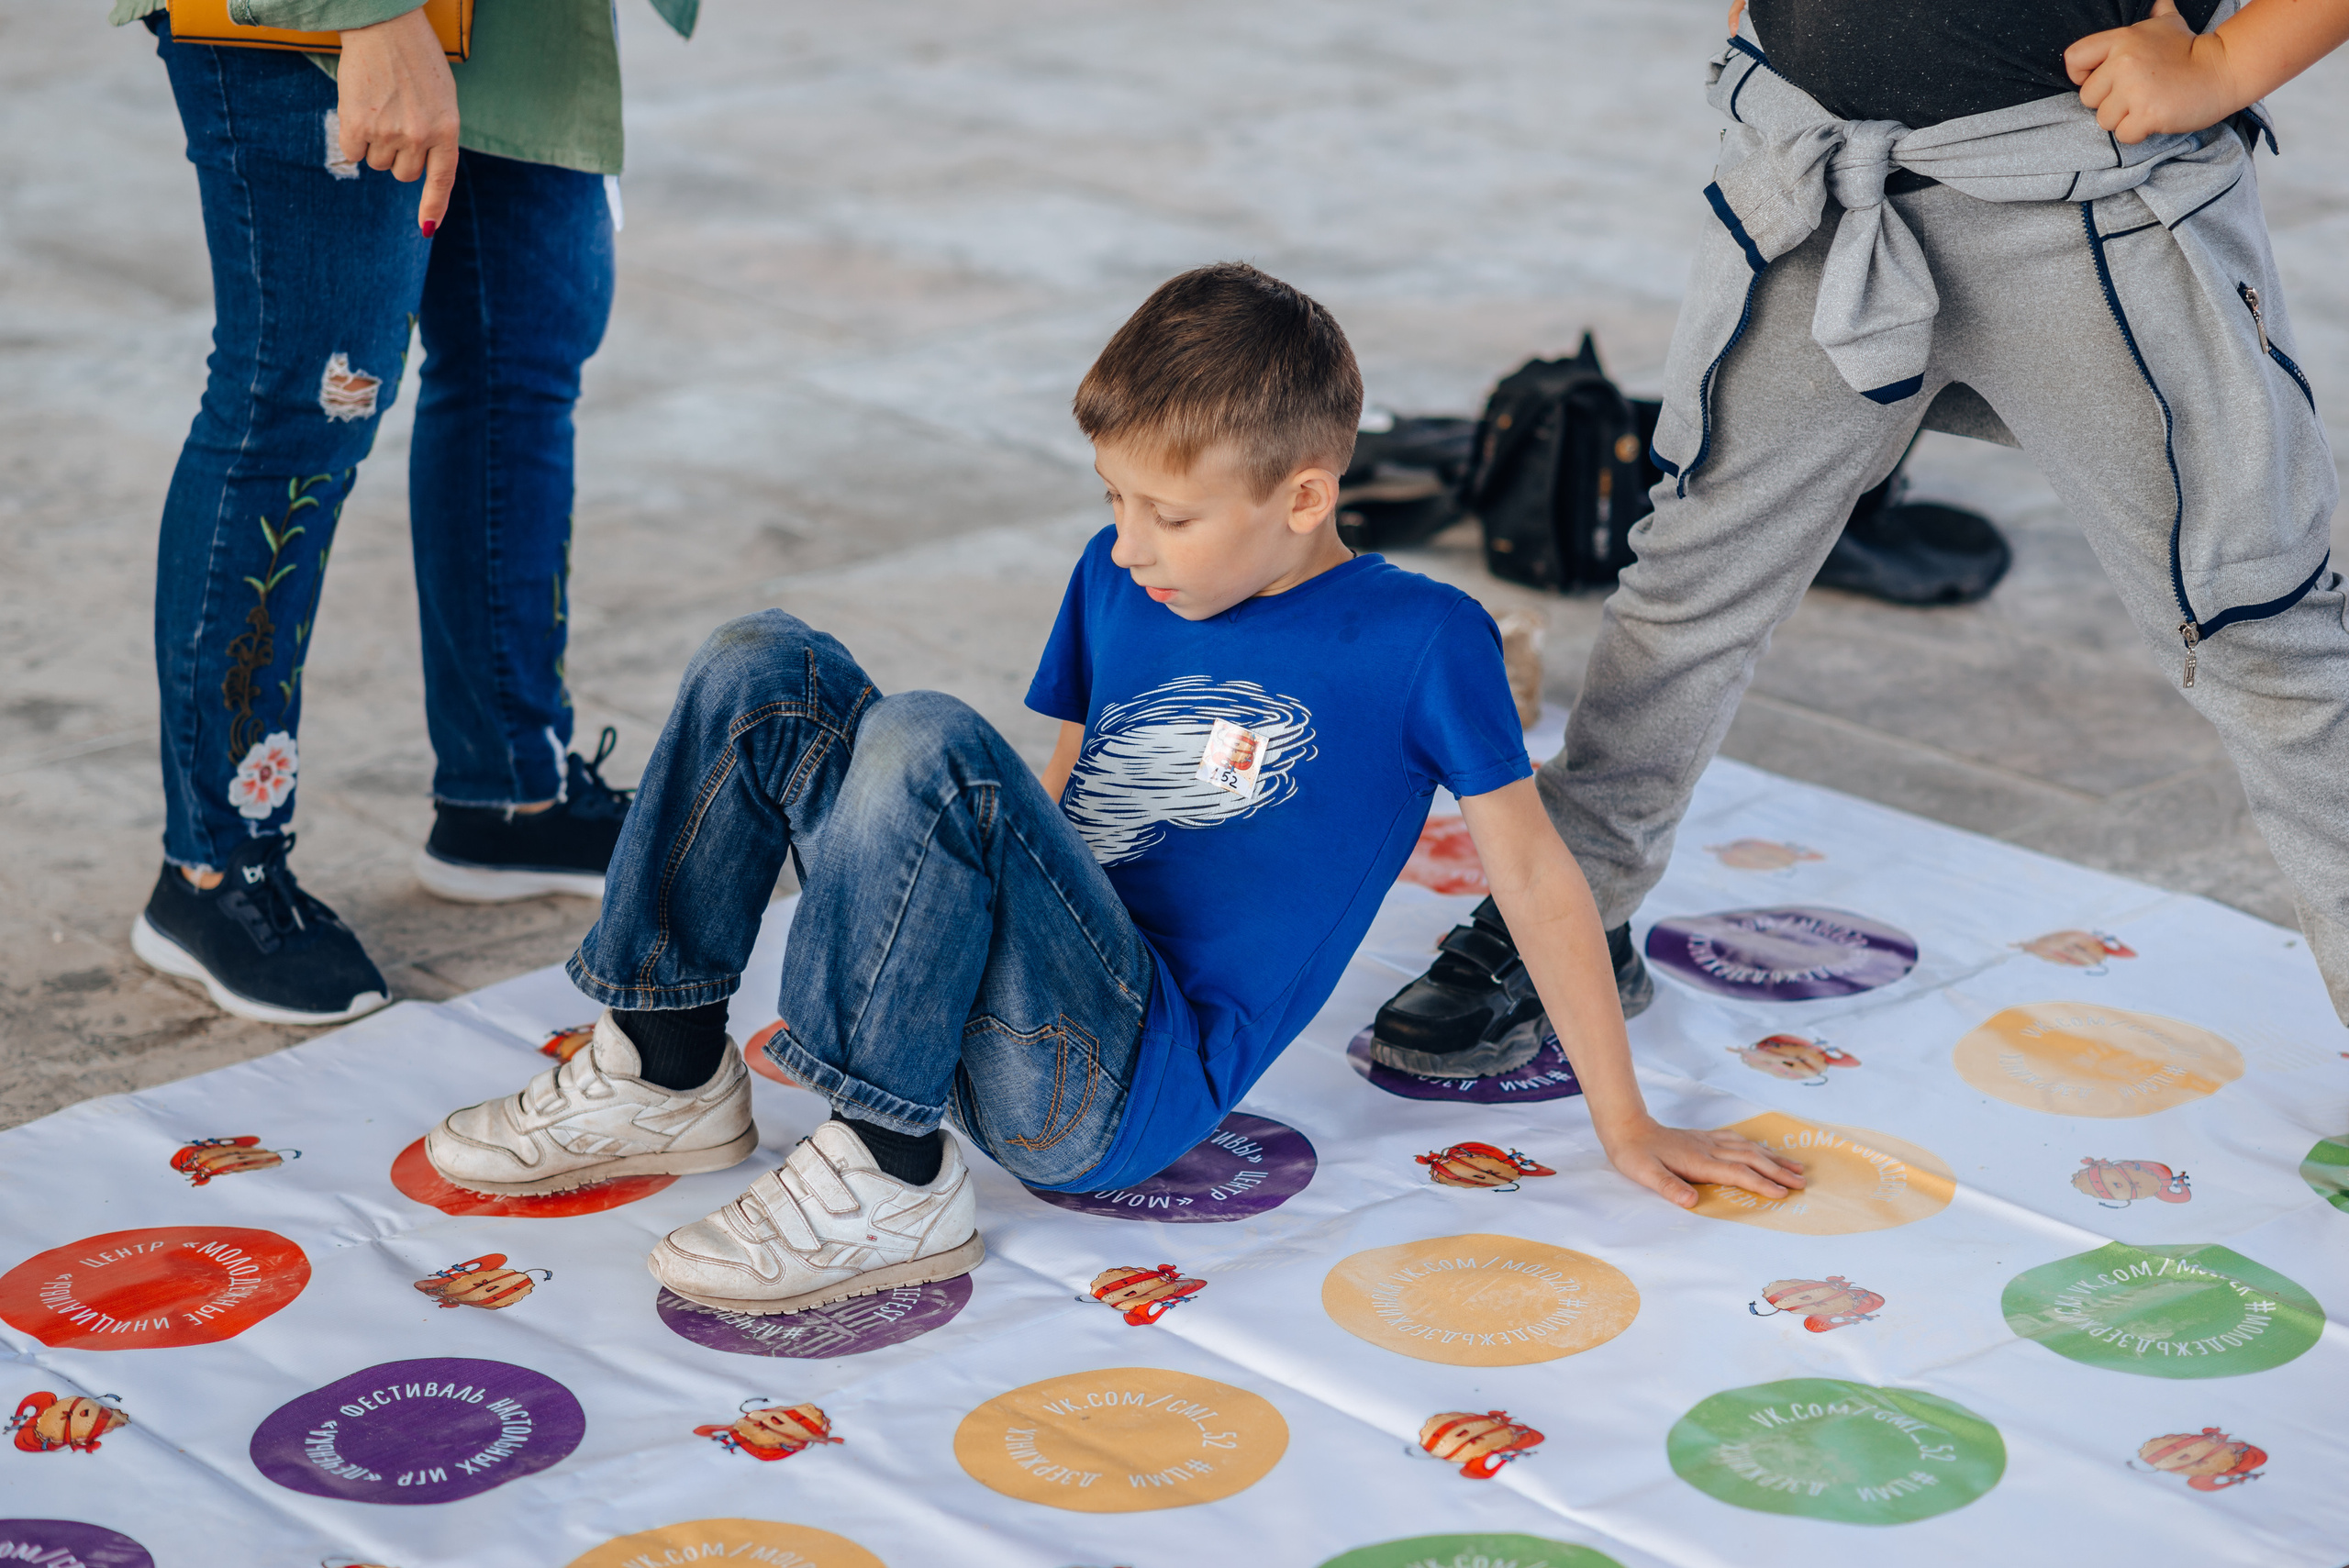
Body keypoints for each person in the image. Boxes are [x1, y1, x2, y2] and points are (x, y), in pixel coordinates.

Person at [421, 264, 1804, 1315]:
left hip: (1113, 1089)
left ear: (1307, 495)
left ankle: (889, 1177)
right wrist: (918, 936)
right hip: (1015, 1005)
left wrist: (1626, 1122)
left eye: (1175, 515)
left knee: (924, 737)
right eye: (1119, 499)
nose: (1131, 542)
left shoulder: (1419, 639)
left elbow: (1538, 876)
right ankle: (666, 1068)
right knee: (764, 665)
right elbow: (1049, 815)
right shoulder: (1112, 573)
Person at [1376, 0, 2349, 1068]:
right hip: (1820, 178)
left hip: (2088, 199)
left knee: (2259, 631)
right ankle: (1571, 913)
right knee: (1693, 574)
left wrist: (2221, 66)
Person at [120, 0, 683, 1025]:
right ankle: (210, 869)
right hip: (335, 18)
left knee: (523, 363)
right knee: (306, 392)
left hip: (525, 25)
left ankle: (510, 793)